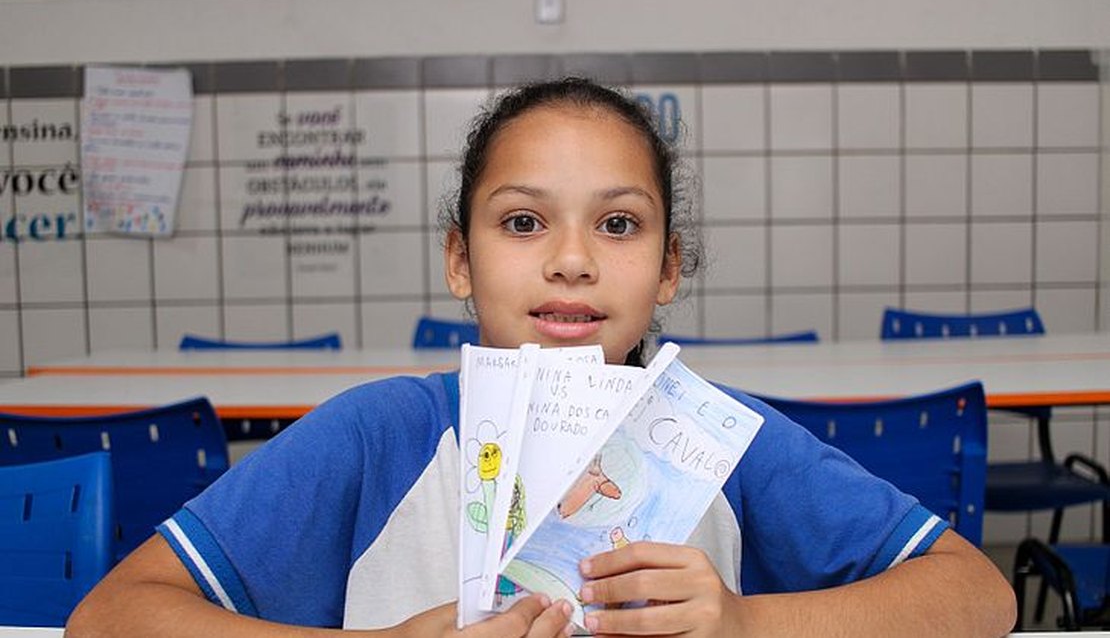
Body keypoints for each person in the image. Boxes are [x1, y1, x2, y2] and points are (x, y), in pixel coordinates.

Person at [67, 77, 1016, 637]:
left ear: (669, 265)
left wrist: (745, 622)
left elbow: (980, 594)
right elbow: (109, 618)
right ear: (459, 258)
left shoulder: (724, 441)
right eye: (523, 221)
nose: (571, 258)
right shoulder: (381, 435)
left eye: (618, 223)